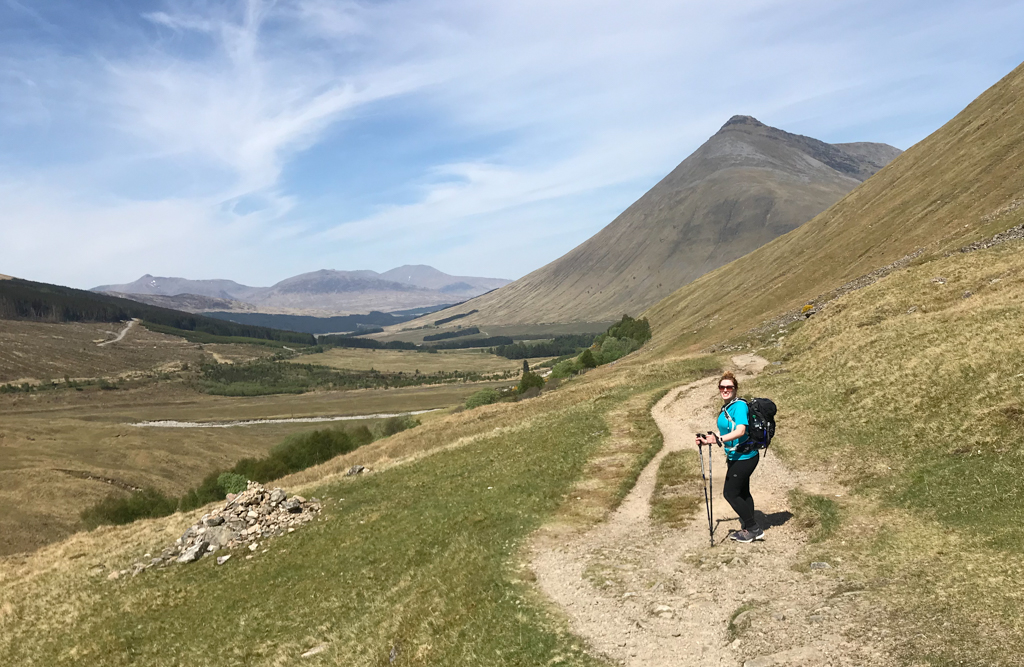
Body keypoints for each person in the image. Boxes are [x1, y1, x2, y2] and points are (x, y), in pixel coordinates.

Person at [695, 371, 764, 543]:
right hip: (737, 456)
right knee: (743, 491)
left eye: (729, 387)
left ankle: (754, 528)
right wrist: (708, 440)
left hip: (745, 457)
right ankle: (749, 527)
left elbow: (740, 430)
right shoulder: (727, 406)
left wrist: (718, 440)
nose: (725, 390)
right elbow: (729, 430)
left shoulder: (739, 406)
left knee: (730, 493)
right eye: (722, 387)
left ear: (735, 389)